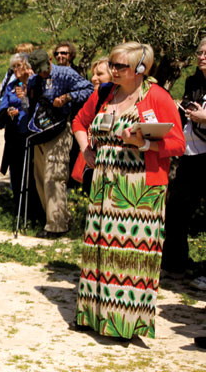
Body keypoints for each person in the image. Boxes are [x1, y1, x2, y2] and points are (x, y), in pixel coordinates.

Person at [71, 42, 182, 339]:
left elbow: (178, 144)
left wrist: (143, 144)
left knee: (131, 257)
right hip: (104, 185)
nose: (113, 69)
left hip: (140, 189)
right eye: (112, 63)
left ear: (140, 69)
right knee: (99, 249)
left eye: (120, 66)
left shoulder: (157, 96)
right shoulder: (105, 93)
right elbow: (79, 122)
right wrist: (86, 151)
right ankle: (95, 317)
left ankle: (124, 323)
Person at [26, 48, 93, 238]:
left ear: (49, 60)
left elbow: (88, 89)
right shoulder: (33, 80)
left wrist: (67, 97)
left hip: (61, 129)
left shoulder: (65, 73)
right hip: (40, 130)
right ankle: (56, 218)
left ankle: (57, 226)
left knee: (54, 176)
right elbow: (30, 105)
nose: (42, 73)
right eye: (38, 70)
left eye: (44, 69)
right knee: (40, 176)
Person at [163, 39, 206, 275]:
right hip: (190, 153)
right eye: (199, 52)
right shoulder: (193, 81)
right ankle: (175, 262)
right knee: (177, 208)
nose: (201, 57)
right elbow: (190, 108)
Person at [0, 53, 35, 205]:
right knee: (16, 171)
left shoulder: (34, 84)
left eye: (19, 65)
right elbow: (2, 108)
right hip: (14, 133)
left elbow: (37, 106)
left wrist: (22, 108)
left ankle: (32, 208)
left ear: (27, 66)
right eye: (14, 67)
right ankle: (17, 204)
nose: (16, 69)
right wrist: (8, 111)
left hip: (30, 132)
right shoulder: (12, 86)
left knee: (31, 173)